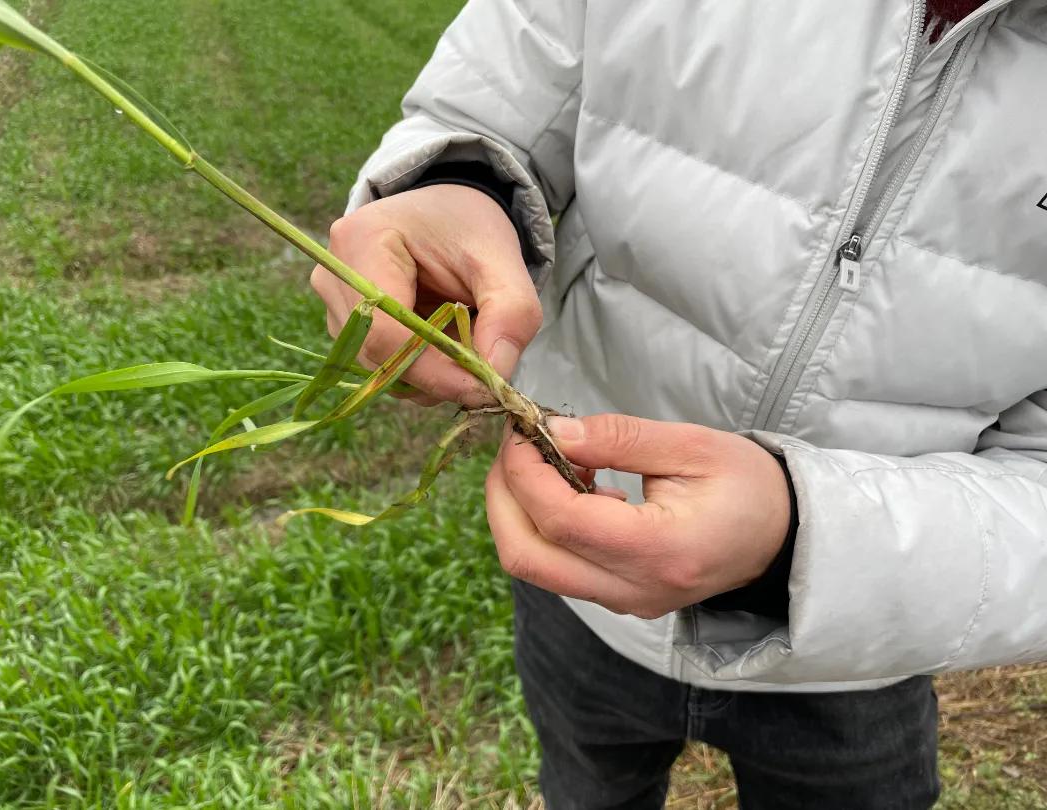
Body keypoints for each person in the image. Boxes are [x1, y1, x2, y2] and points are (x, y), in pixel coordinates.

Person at [311, 1, 1047, 807]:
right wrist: (456, 185)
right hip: (576, 581)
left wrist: (804, 540)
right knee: (588, 786)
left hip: (856, 646)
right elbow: (494, 100)